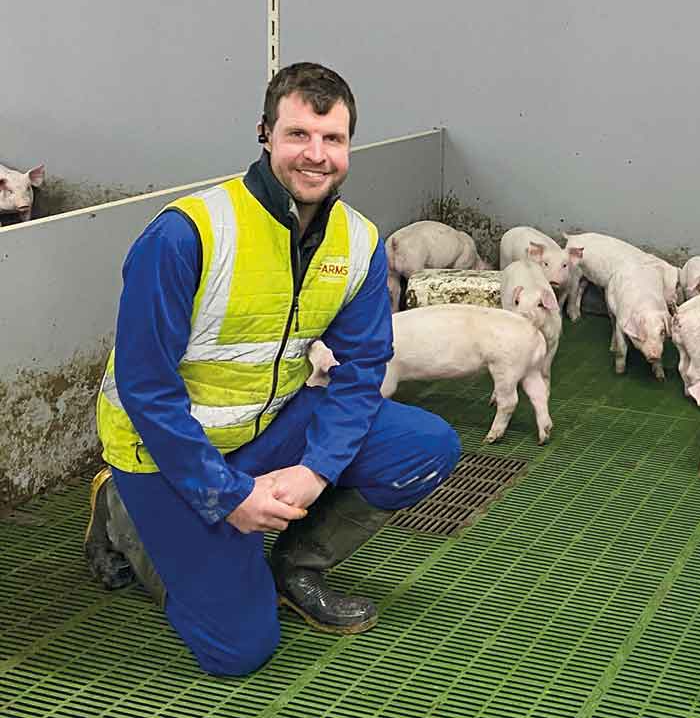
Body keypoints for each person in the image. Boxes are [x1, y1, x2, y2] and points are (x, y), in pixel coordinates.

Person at [84, 62, 460, 676]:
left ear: (349, 145)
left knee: (424, 445)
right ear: (264, 134)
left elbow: (363, 367)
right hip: (163, 451)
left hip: (266, 428)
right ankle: (123, 514)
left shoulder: (357, 242)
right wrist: (226, 495)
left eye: (333, 138)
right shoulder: (187, 234)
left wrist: (316, 470)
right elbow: (146, 388)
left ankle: (293, 567)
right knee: (240, 649)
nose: (316, 154)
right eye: (298, 135)